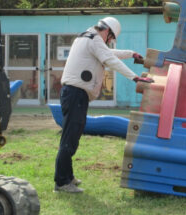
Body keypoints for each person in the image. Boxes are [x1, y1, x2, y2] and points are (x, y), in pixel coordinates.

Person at [54, 16, 153, 193]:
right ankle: (61, 182)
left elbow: (109, 54)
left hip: (75, 94)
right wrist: (135, 77)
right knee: (70, 138)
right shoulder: (94, 39)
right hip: (75, 94)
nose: (110, 42)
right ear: (107, 32)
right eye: (112, 38)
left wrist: (131, 54)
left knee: (72, 136)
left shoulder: (87, 37)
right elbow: (110, 60)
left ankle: (67, 177)